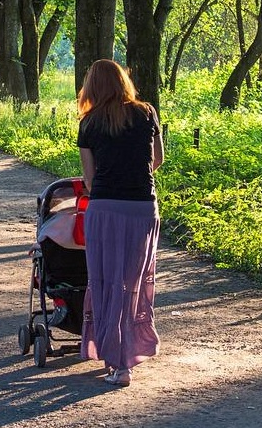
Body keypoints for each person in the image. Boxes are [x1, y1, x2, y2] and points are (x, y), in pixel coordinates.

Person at [76, 59, 164, 388]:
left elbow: (89, 178)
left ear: (92, 87)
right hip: (142, 208)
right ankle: (131, 352)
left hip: (105, 209)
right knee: (134, 283)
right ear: (123, 81)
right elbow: (157, 160)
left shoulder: (89, 123)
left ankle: (116, 362)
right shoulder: (146, 113)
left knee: (105, 282)